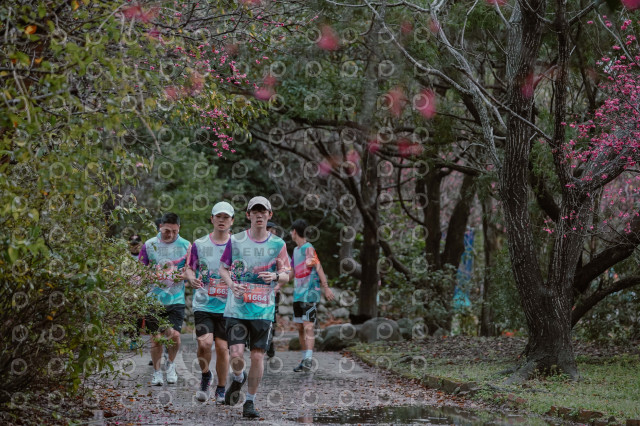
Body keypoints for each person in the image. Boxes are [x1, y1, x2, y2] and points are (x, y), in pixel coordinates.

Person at [218, 196, 291, 418]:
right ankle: (238, 377)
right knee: (236, 353)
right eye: (255, 212)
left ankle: (249, 402)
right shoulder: (236, 240)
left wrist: (275, 276)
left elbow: (287, 274)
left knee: (257, 356)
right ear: (248, 215)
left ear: (269, 215)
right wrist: (232, 285)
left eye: (263, 212)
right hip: (237, 308)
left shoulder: (278, 244)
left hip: (263, 309)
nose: (259, 215)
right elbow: (223, 268)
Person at [183, 201, 234, 403]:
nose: (222, 220)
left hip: (228, 306)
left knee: (222, 348)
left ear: (232, 221)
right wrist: (191, 278)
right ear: (212, 219)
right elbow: (189, 268)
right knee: (204, 344)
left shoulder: (237, 244)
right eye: (218, 216)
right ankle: (206, 376)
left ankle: (221, 388)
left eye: (226, 217)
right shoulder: (200, 244)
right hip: (203, 303)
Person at [138, 212, 190, 386]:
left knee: (174, 335)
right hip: (153, 299)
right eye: (167, 231)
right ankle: (157, 372)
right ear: (160, 227)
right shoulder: (149, 245)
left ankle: (171, 365)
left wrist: (183, 276)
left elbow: (191, 270)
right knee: (156, 337)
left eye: (175, 231)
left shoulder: (186, 245)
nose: (171, 235)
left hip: (176, 298)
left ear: (179, 228)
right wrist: (150, 276)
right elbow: (140, 270)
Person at [289, 219, 335, 372]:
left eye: (291, 231)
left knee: (308, 325)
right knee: (300, 327)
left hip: (310, 294)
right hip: (298, 295)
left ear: (294, 232)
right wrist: (276, 284)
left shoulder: (308, 248)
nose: (290, 234)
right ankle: (304, 360)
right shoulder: (296, 251)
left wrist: (326, 288)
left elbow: (318, 267)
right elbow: (292, 273)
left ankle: (308, 359)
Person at [265, 221, 284, 359]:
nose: (271, 233)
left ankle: (270, 342)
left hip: (273, 290)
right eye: (269, 230)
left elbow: (285, 271)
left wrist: (278, 286)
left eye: (273, 231)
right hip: (256, 291)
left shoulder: (279, 247)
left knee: (271, 318)